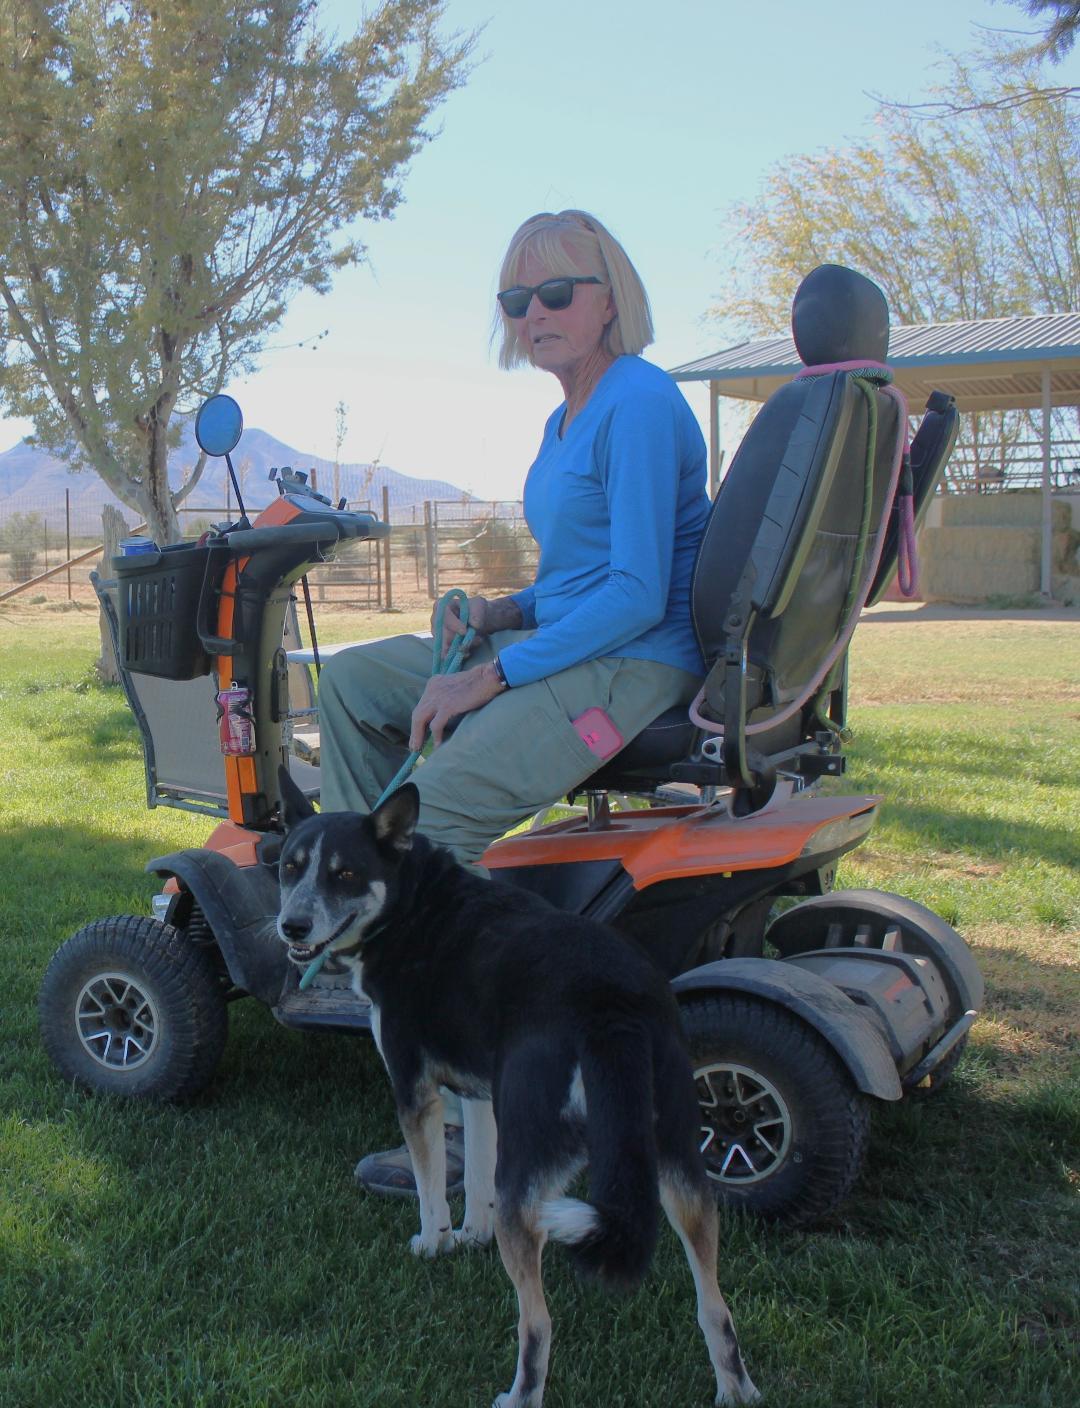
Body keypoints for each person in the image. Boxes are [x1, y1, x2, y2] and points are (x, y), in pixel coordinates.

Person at [316, 208, 710, 1196]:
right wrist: (499, 612)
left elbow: (635, 594)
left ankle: (470, 1118)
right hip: (573, 638)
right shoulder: (564, 415)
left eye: (557, 292)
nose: (535, 312)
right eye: (517, 298)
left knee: (439, 823)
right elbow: (577, 579)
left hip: (632, 663)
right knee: (353, 683)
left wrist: (490, 673)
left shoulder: (639, 401)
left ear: (610, 298)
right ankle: (366, 925)